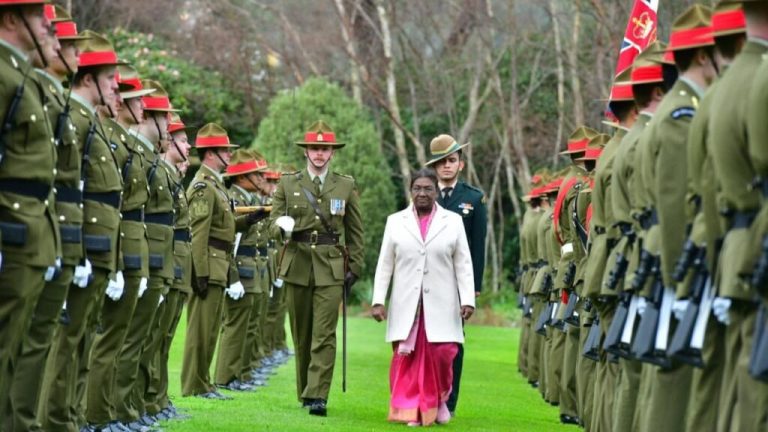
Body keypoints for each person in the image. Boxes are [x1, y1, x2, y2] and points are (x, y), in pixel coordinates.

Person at [42, 29, 123, 432]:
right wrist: (70, 246)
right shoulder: (72, 116)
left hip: (93, 244)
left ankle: (68, 416)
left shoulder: (89, 121)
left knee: (81, 337)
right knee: (65, 340)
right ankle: (56, 419)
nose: (117, 89)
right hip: (79, 241)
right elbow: (70, 187)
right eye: (111, 80)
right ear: (89, 79)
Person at [268, 120, 364, 417]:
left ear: (332, 152)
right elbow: (273, 224)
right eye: (314, 148)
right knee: (302, 333)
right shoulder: (288, 183)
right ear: (306, 151)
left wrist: (356, 267)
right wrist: (280, 229)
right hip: (298, 263)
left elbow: (356, 230)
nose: (319, 154)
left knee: (325, 334)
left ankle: (318, 395)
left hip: (330, 266)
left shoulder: (345, 184)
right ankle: (305, 391)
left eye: (324, 149)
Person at [371, 167, 475, 427]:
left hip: (442, 304)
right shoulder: (395, 221)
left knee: (444, 353)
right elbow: (385, 264)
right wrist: (378, 300)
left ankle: (439, 400)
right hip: (407, 304)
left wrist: (467, 299)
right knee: (409, 358)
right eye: (417, 188)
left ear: (436, 191)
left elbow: (463, 263)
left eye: (428, 188)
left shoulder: (453, 221)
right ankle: (417, 410)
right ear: (410, 191)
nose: (422, 193)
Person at [424, 134, 487, 416]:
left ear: (460, 164)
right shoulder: (425, 195)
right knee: (423, 341)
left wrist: (472, 288)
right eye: (441, 162)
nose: (447, 166)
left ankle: (448, 401)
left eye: (452, 160)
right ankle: (425, 396)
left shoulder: (473, 198)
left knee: (453, 343)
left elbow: (478, 245)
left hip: (456, 282)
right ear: (434, 167)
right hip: (426, 279)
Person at [181, 122, 241, 399]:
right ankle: (194, 385)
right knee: (200, 331)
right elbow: (198, 233)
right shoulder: (204, 186)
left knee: (210, 330)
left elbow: (222, 227)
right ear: (211, 154)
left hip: (218, 264)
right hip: (209, 265)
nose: (230, 156)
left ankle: (204, 383)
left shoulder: (216, 183)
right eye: (225, 151)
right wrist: (199, 272)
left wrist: (245, 222)